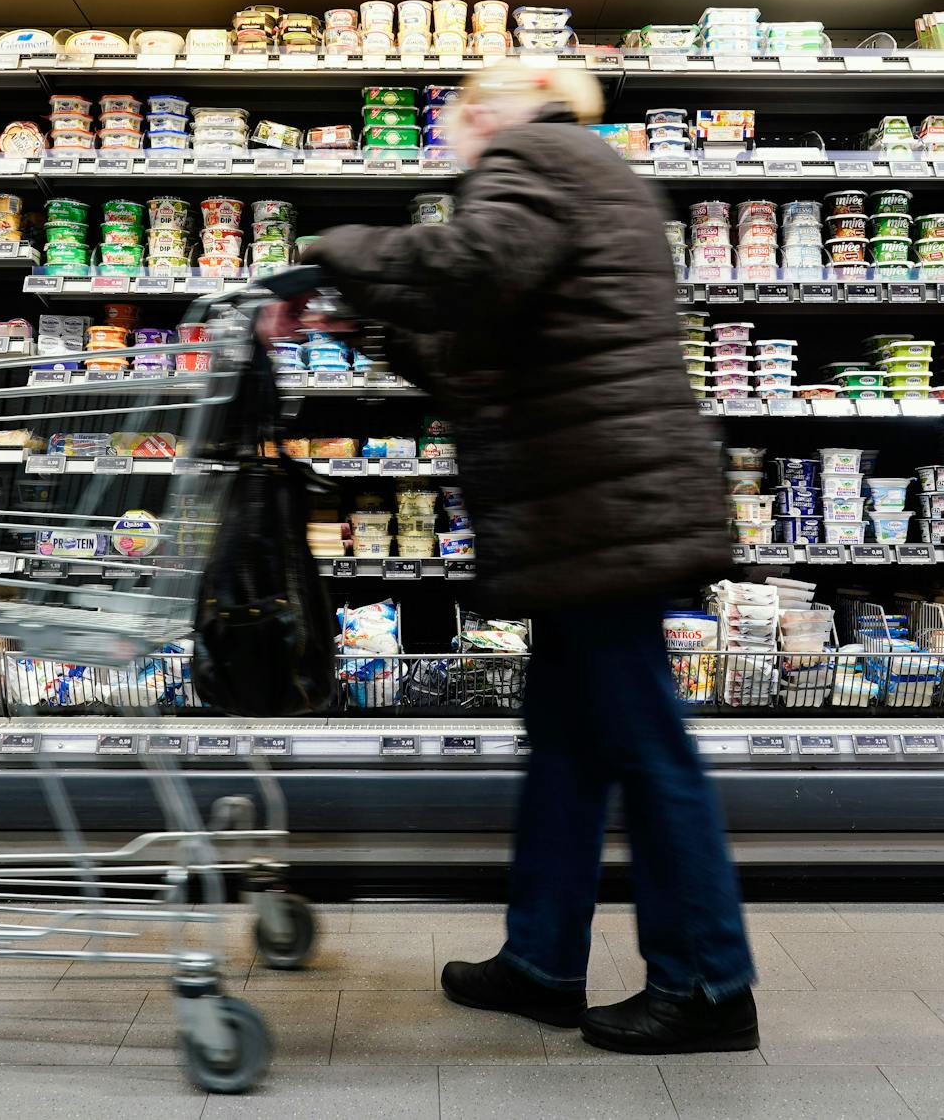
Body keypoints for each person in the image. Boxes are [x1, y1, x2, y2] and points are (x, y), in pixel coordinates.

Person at [259, 60, 758, 1053]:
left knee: (646, 748)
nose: (451, 135)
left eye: (455, 117)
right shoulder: (583, 171)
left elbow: (474, 265)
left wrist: (330, 253)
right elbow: (474, 346)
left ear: (490, 108)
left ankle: (708, 982)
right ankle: (539, 959)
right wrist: (359, 313)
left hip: (600, 506)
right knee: (570, 743)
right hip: (593, 503)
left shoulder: (535, 151)